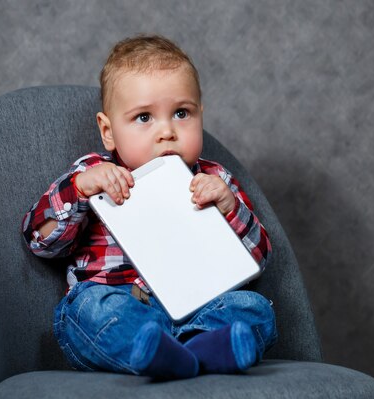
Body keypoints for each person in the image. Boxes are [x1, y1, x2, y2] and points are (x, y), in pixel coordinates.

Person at [22, 34, 277, 379]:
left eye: (182, 113)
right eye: (144, 118)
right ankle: (162, 350)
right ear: (108, 131)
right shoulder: (92, 175)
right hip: (124, 305)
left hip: (198, 311)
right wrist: (80, 190)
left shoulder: (215, 180)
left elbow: (259, 258)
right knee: (87, 308)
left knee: (254, 308)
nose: (167, 132)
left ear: (201, 114)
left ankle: (193, 349)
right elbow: (40, 239)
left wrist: (230, 208)